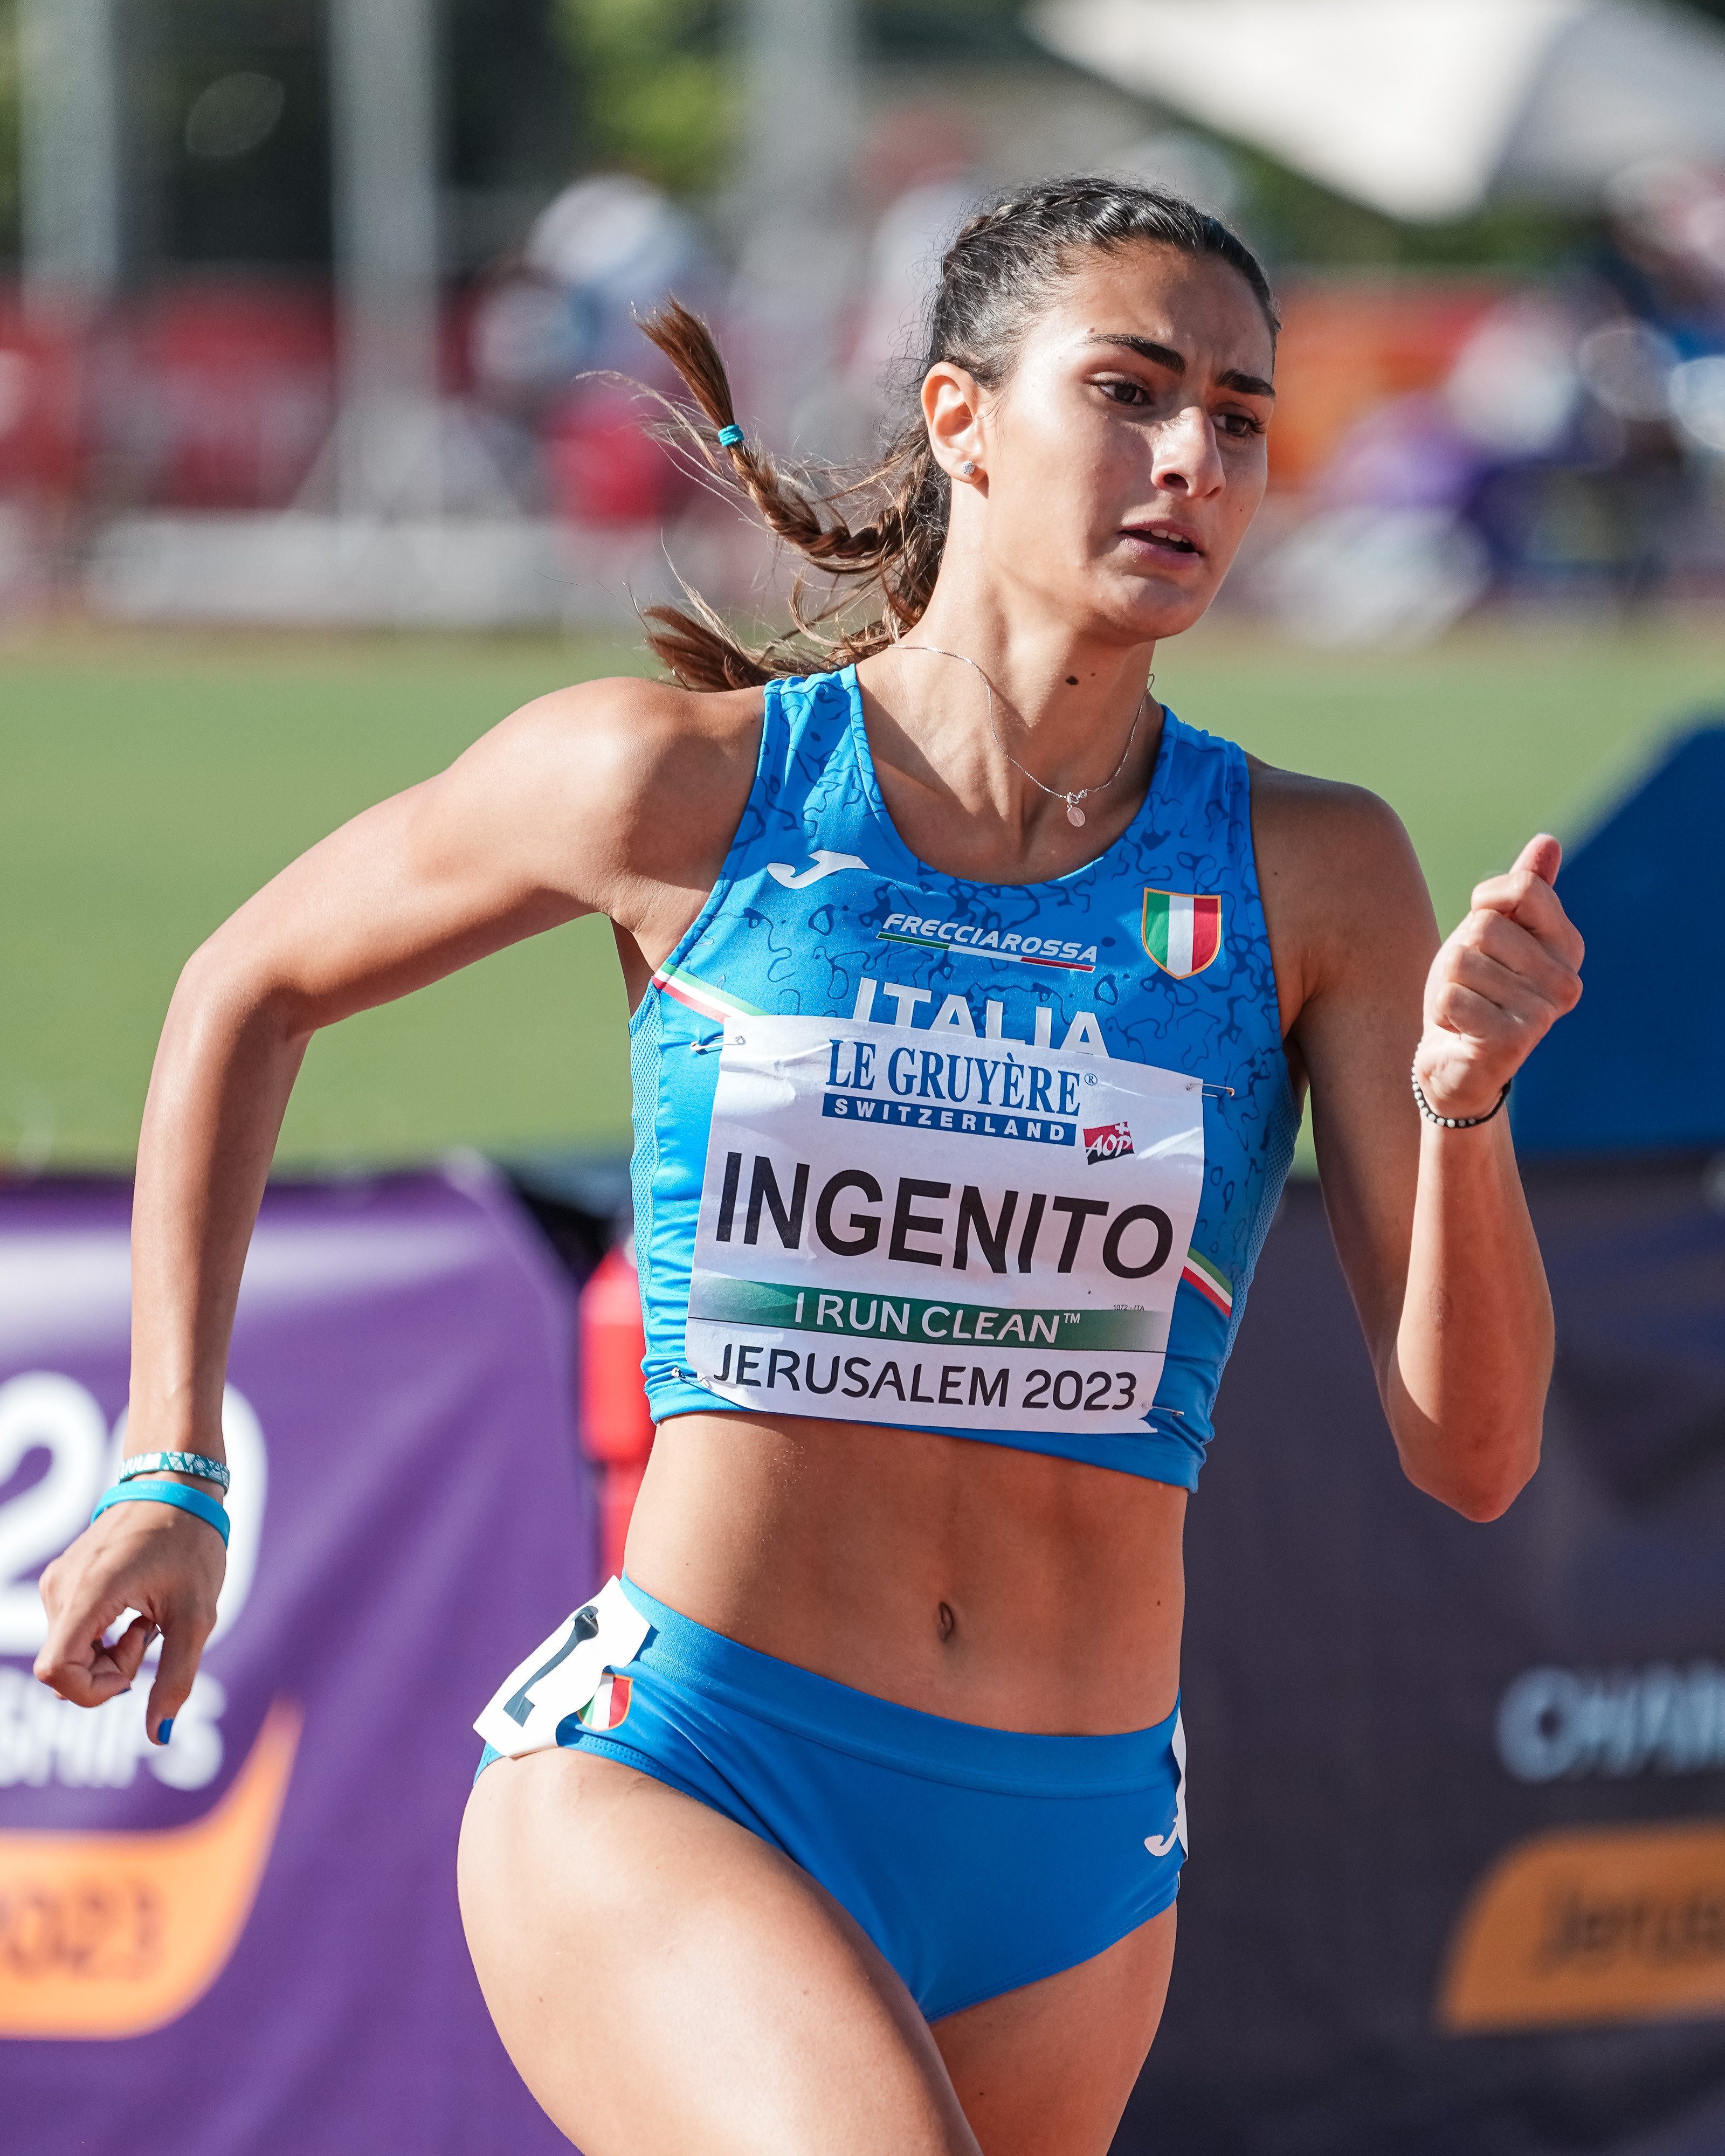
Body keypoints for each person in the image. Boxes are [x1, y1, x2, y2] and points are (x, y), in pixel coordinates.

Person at [34, 179, 1582, 2156]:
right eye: (1130, 392)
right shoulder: (683, 785)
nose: (1195, 457)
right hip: (696, 1775)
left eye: (1242, 417)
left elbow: (1475, 1455)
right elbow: (244, 987)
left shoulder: (1317, 870)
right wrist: (169, 1464)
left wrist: (1466, 1105)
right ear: (960, 418)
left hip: (1073, 1854)